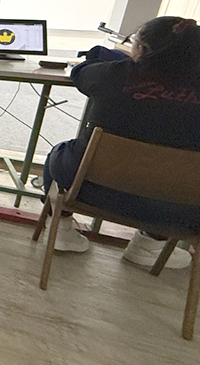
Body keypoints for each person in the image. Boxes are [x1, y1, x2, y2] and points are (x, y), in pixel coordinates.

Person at [41, 16, 200, 268]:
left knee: (60, 153)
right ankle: (148, 247)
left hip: (91, 190)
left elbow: (81, 72)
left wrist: (110, 59)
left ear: (142, 49)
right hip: (180, 210)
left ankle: (60, 230)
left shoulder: (116, 74)